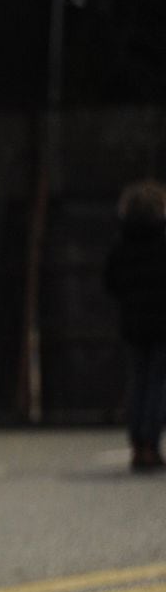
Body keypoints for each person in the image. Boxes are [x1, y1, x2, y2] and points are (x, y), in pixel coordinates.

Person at [102, 179, 166, 472]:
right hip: (161, 323)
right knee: (157, 384)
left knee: (138, 382)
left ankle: (138, 444)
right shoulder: (162, 241)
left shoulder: (122, 243)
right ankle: (151, 443)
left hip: (133, 322)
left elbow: (111, 282)